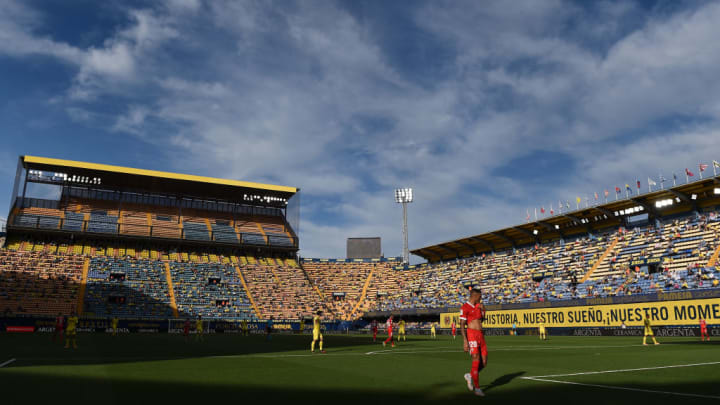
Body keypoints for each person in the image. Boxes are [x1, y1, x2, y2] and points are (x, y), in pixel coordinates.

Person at [461, 286, 487, 397]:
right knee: (476, 358)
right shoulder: (465, 307)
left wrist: (483, 309)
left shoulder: (478, 306)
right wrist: (465, 341)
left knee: (484, 362)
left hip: (480, 335)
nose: (480, 299)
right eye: (480, 297)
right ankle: (477, 389)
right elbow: (462, 325)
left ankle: (470, 376)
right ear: (475, 296)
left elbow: (482, 320)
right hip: (471, 334)